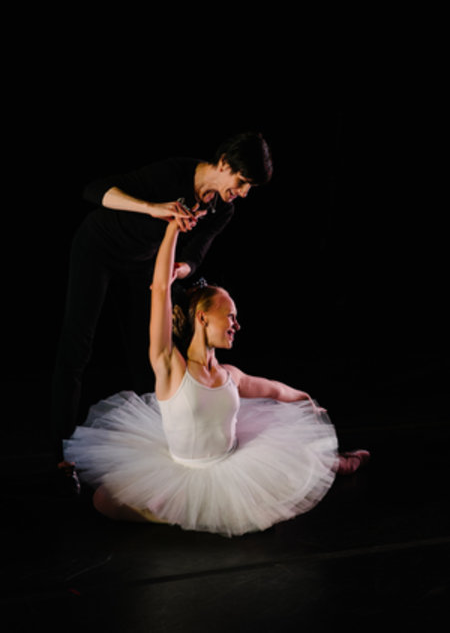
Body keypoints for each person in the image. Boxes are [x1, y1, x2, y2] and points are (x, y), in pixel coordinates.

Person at [63, 216, 370, 536]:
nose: (237, 325)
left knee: (299, 456)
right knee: (104, 500)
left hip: (232, 460)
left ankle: (339, 462)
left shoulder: (230, 375)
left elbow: (274, 390)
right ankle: (185, 512)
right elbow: (160, 290)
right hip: (183, 468)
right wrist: (172, 231)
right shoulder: (170, 365)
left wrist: (304, 398)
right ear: (203, 317)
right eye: (231, 317)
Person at [51, 132, 273, 490]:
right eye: (242, 181)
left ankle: (162, 449)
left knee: (148, 355)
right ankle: (61, 456)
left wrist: (180, 270)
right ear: (223, 164)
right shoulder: (174, 173)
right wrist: (152, 207)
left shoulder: (223, 208)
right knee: (78, 348)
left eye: (250, 187)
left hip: (142, 263)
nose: (244, 192)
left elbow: (196, 254)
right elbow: (93, 190)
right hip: (98, 247)